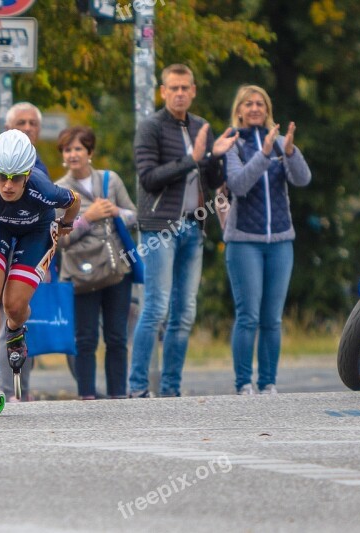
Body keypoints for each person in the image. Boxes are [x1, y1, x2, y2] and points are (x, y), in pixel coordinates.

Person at [128, 63, 238, 398]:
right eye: (173, 88)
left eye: (184, 88)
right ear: (163, 91)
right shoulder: (151, 128)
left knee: (185, 312)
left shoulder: (202, 126)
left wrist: (215, 157)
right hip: (160, 227)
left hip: (194, 227)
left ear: (193, 91)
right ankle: (137, 388)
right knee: (156, 308)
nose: (179, 93)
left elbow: (214, 182)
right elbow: (147, 178)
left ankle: (171, 390)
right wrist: (191, 158)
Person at [0, 129, 80, 400]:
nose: (8, 185)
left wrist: (66, 224)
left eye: (16, 178)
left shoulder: (43, 190)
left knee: (14, 306)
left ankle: (15, 329)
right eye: (1, 177)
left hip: (35, 232)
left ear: (28, 175)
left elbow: (74, 200)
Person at [223, 85, 311, 394]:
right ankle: (243, 383)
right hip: (244, 240)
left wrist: (290, 152)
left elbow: (303, 179)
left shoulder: (280, 144)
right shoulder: (233, 142)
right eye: (249, 103)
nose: (255, 108)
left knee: (272, 318)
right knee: (248, 316)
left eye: (260, 103)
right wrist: (262, 156)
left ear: (267, 108)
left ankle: (268, 382)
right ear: (239, 110)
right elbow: (238, 184)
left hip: (281, 242)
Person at [55, 126, 137, 400]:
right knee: (86, 339)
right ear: (63, 156)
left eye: (79, 148)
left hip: (116, 270)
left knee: (116, 338)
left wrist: (116, 212)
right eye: (68, 150)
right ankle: (87, 395)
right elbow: (58, 239)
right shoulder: (58, 190)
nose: (73, 154)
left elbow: (135, 217)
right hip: (81, 276)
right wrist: (87, 218)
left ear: (90, 152)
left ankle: (118, 395)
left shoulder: (109, 181)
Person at [0, 102, 49, 402]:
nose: (28, 128)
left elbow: (62, 206)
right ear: (7, 128)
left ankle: (22, 389)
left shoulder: (38, 166)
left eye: (33, 123)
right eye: (21, 122)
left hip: (28, 243)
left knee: (16, 309)